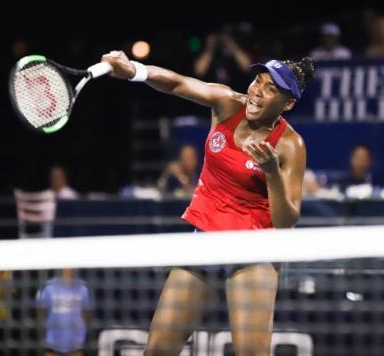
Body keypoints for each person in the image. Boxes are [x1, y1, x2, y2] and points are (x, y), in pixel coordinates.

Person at [99, 48, 310, 355]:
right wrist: (134, 70)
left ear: (288, 103)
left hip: (253, 256)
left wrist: (272, 174)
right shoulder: (227, 103)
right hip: (204, 244)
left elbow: (286, 222)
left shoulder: (291, 145)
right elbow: (177, 83)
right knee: (157, 350)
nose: (257, 92)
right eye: (258, 81)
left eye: (271, 89)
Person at [36, 269, 92, 356]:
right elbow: (41, 312)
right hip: (52, 344)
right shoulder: (47, 287)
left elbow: (86, 314)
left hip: (76, 345)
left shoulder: (83, 288)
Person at [193, 25, 254, 91]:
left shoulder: (234, 52)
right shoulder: (208, 53)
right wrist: (210, 48)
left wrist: (231, 45)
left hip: (233, 92)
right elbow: (199, 71)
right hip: (211, 92)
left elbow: (247, 67)